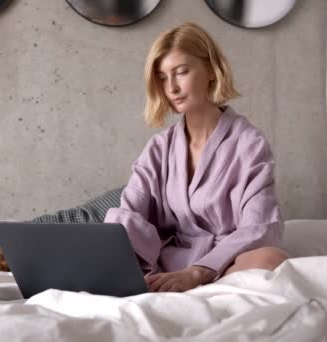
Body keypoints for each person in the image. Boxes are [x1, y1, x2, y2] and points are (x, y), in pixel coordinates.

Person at [104, 22, 288, 293]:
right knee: (107, 238)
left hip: (225, 262)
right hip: (170, 262)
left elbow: (260, 227)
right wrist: (111, 246)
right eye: (163, 77)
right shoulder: (160, 147)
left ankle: (205, 286)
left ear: (212, 71)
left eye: (181, 72)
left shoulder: (249, 144)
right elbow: (130, 209)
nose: (172, 88)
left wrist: (198, 272)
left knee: (271, 259)